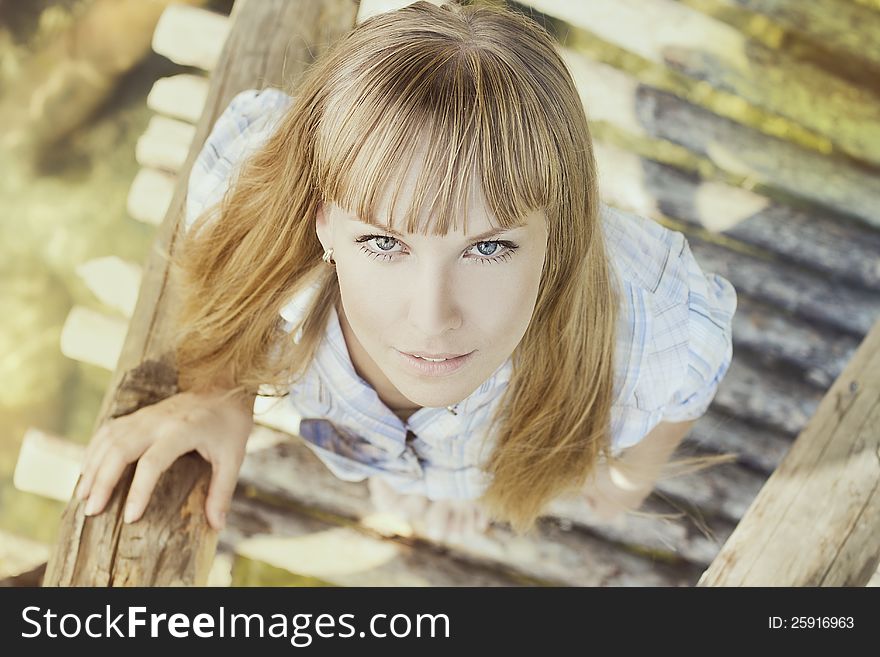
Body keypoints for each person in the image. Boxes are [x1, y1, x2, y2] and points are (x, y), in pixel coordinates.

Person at [74, 1, 738, 542]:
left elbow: (694, 364)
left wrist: (627, 478)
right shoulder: (248, 201)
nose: (431, 318)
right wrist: (219, 395)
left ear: (558, 233)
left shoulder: (653, 328)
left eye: (488, 247)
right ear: (322, 220)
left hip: (487, 459)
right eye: (384, 242)